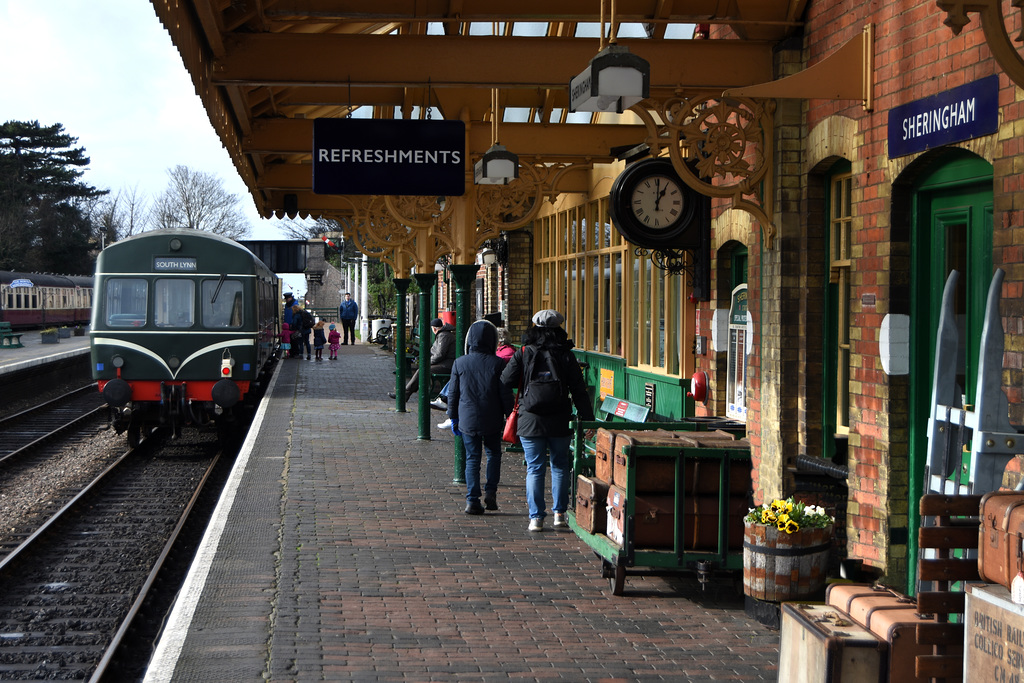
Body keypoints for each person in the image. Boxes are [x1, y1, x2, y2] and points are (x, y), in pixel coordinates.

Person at [500, 309, 595, 532]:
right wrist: (587, 419)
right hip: (560, 419)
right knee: (560, 465)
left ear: (535, 328)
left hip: (530, 420)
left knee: (534, 468)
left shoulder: (523, 352)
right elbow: (579, 390)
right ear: (558, 329)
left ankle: (536, 518)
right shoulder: (566, 355)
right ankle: (559, 514)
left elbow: (505, 380)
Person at [448, 320, 515, 515]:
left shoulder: (460, 362)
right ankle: (491, 491)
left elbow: (453, 394)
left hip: (467, 417)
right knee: (494, 454)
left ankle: (472, 499)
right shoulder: (498, 363)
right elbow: (505, 394)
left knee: (472, 458)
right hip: (492, 417)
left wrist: (453, 417)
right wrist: (509, 415)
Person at [389, 318, 455, 402]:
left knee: (422, 371)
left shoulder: (443, 336)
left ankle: (405, 393)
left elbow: (440, 354)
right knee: (421, 370)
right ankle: (405, 393)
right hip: (444, 363)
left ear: (434, 328)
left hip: (446, 365)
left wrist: (428, 362)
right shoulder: (443, 335)